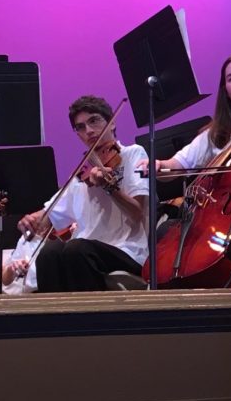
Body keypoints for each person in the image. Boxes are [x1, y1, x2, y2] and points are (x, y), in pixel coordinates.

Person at [16, 96, 149, 292]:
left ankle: (90, 320)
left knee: (76, 248)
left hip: (126, 249)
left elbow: (137, 212)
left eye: (94, 120)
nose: (88, 130)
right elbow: (48, 216)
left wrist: (110, 187)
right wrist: (32, 220)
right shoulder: (80, 175)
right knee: (49, 252)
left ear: (111, 122)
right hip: (84, 248)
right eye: (80, 127)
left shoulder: (133, 154)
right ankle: (53, 319)